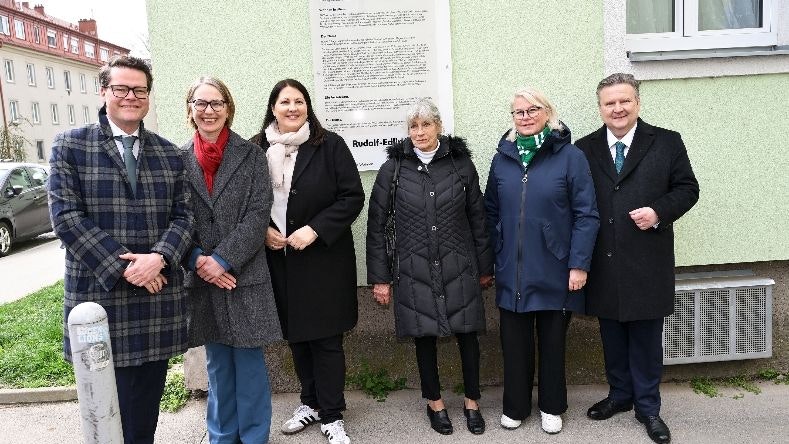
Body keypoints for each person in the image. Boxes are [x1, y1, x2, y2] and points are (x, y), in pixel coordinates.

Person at [48, 55, 193, 444]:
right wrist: (127, 267)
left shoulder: (169, 153)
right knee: (103, 409)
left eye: (140, 90)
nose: (131, 96)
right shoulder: (70, 145)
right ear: (104, 92)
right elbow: (66, 218)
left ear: (148, 96)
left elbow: (185, 217)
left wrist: (159, 257)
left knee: (146, 405)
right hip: (99, 296)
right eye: (122, 89)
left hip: (156, 296)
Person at [576, 73, 699, 444]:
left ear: (637, 103)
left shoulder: (666, 142)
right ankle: (620, 395)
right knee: (611, 334)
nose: (617, 109)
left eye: (624, 101)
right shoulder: (584, 148)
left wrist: (658, 212)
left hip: (647, 259)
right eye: (609, 103)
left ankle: (648, 408)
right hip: (604, 260)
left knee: (645, 340)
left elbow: (688, 189)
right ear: (600, 108)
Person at [366, 99, 494, 436]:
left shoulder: (460, 164)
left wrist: (484, 265)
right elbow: (376, 226)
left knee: (468, 333)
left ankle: (472, 401)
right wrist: (380, 278)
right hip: (412, 266)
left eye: (426, 124)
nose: (419, 132)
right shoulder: (392, 170)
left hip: (459, 262)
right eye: (413, 126)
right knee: (423, 335)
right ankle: (434, 402)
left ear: (438, 126)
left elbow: (478, 219)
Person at [251, 78, 364, 444]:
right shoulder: (256, 149)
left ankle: (332, 415)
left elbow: (352, 197)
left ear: (308, 106)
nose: (292, 108)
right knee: (297, 337)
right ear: (273, 107)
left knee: (326, 340)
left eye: (299, 101)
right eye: (285, 102)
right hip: (279, 259)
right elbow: (247, 202)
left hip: (323, 260)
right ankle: (310, 403)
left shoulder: (329, 145)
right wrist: (263, 230)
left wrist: (314, 229)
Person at [484, 87, 599, 435]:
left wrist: (579, 264)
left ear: (548, 113)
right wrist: (492, 259)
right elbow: (490, 211)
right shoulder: (501, 158)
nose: (526, 116)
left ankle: (551, 406)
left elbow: (586, 215)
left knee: (552, 343)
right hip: (511, 270)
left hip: (555, 268)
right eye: (519, 112)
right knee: (514, 345)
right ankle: (515, 406)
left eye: (533, 109)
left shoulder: (570, 157)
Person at [181, 76, 282, 444]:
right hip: (201, 275)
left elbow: (258, 215)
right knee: (218, 364)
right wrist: (198, 260)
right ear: (190, 110)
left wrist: (222, 259)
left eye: (216, 103)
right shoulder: (176, 160)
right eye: (201, 103)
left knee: (250, 363)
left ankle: (255, 437)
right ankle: (222, 437)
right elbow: (174, 219)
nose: (209, 111)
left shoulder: (251, 155)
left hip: (243, 274)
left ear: (229, 108)